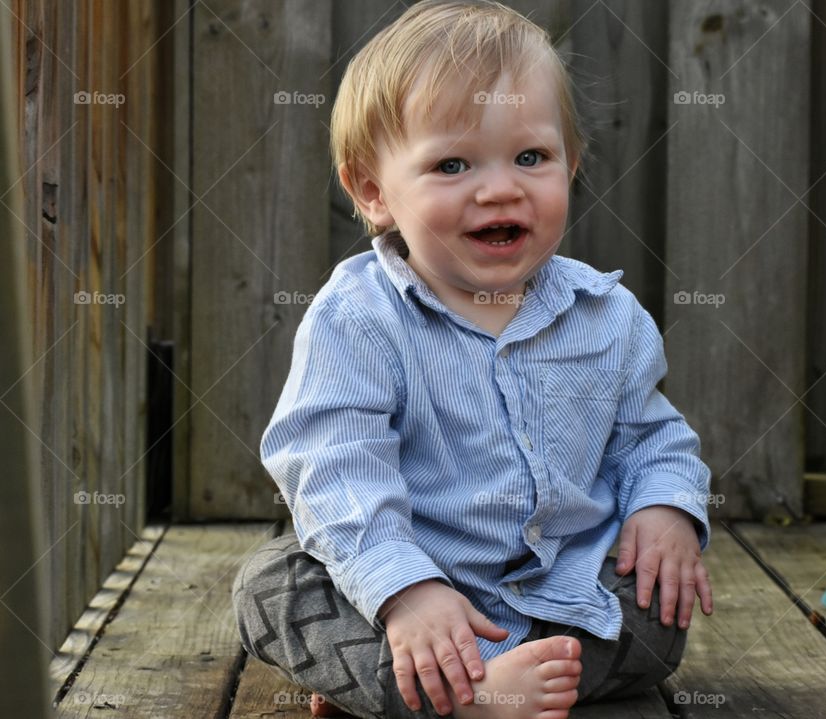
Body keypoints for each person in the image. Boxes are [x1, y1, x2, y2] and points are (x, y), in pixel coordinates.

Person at [232, 1, 713, 717]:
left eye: (531, 157)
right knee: (267, 586)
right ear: (373, 191)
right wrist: (408, 591)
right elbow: (332, 462)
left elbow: (652, 437)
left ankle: (403, 694)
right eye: (452, 164)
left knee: (657, 606)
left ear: (570, 165)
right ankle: (457, 687)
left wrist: (666, 505)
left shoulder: (607, 316)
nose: (499, 187)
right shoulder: (358, 317)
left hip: (562, 592)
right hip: (406, 596)